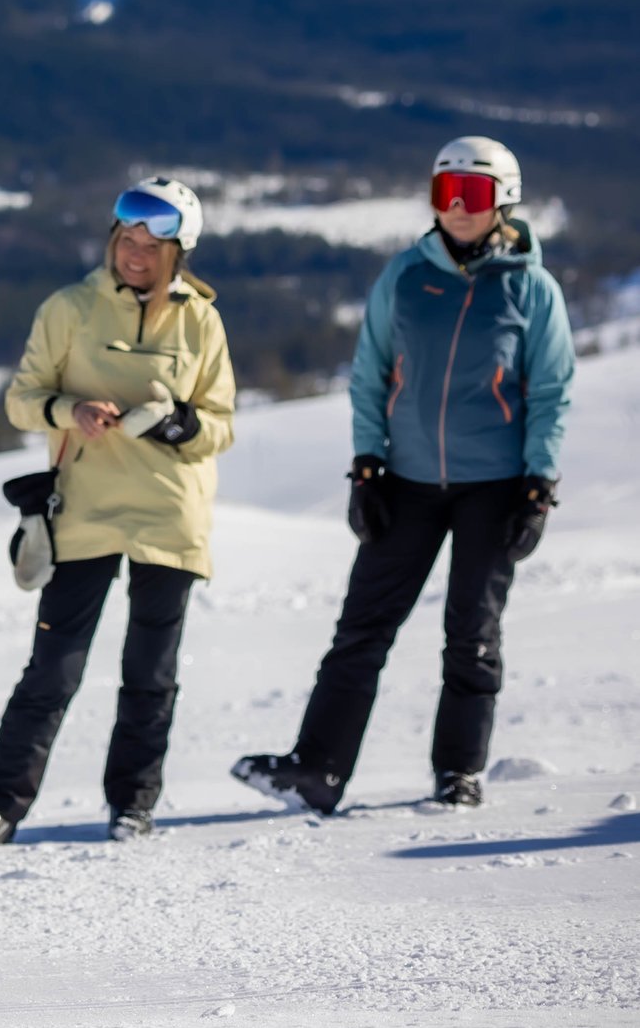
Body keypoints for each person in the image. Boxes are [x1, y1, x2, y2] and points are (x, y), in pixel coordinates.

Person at [235, 137, 573, 814]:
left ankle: (459, 772)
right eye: (442, 190)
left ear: (503, 199)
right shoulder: (405, 277)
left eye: (471, 194)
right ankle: (317, 769)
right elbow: (370, 373)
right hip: (409, 482)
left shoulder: (530, 288)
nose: (455, 206)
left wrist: (539, 482)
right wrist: (367, 465)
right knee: (361, 629)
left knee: (471, 632)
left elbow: (552, 389)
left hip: (494, 485)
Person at [0, 177, 237, 849]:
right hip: (82, 508)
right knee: (53, 669)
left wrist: (180, 425)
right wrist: (69, 411)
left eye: (150, 243)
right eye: (126, 238)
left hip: (170, 515)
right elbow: (22, 399)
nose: (134, 252)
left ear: (179, 251)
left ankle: (133, 805)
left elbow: (221, 423)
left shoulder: (201, 320)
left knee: (151, 670)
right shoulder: (70, 307)